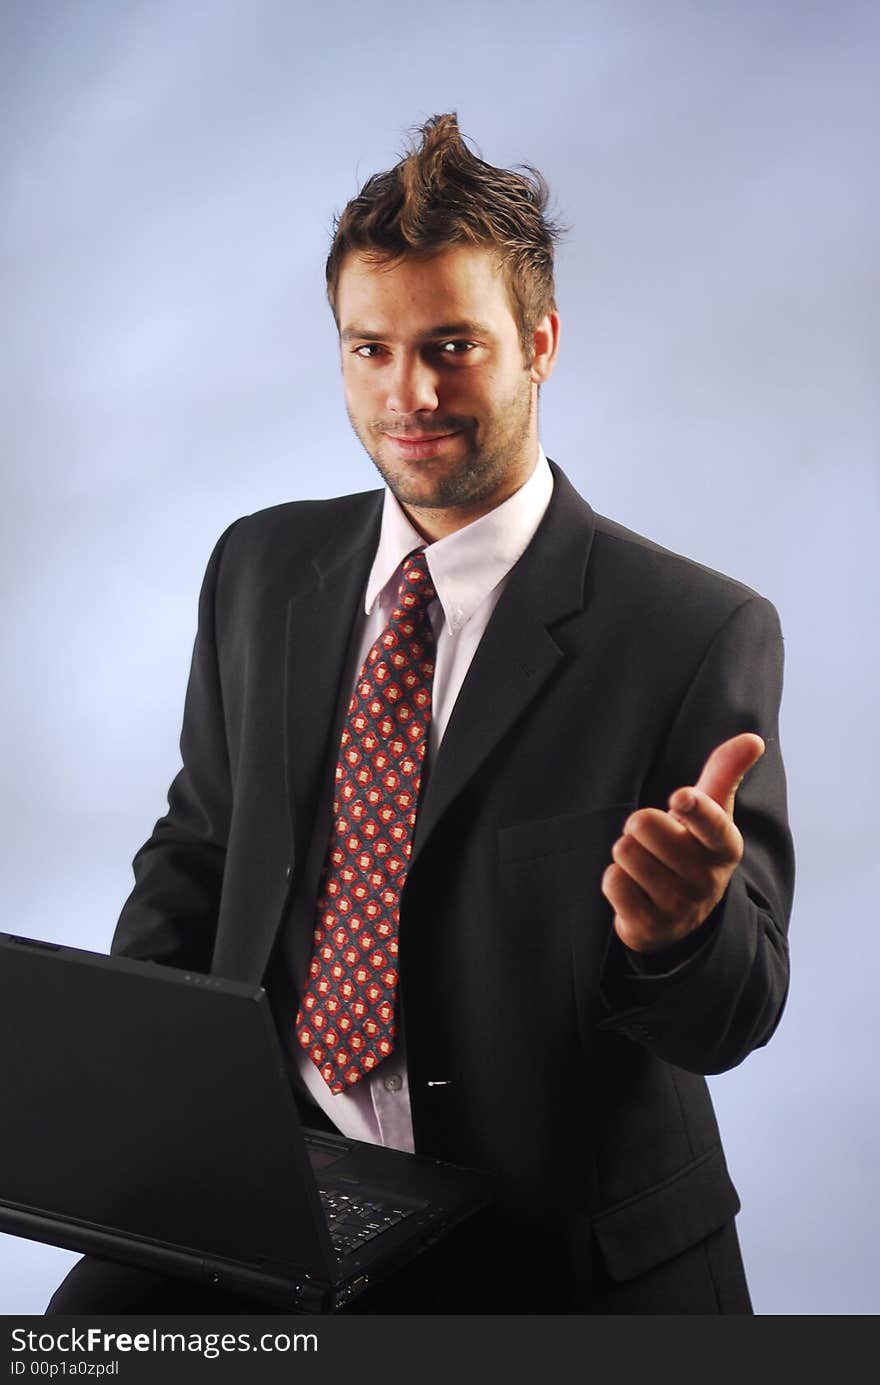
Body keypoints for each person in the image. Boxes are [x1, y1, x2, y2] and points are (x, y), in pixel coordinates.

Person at [47, 112, 794, 1315]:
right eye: (370, 349)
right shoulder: (259, 565)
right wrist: (145, 1099)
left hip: (549, 1243)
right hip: (281, 1190)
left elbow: (738, 1007)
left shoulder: (689, 630)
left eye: (453, 345)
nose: (410, 392)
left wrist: (682, 930)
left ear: (539, 342)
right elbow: (199, 845)